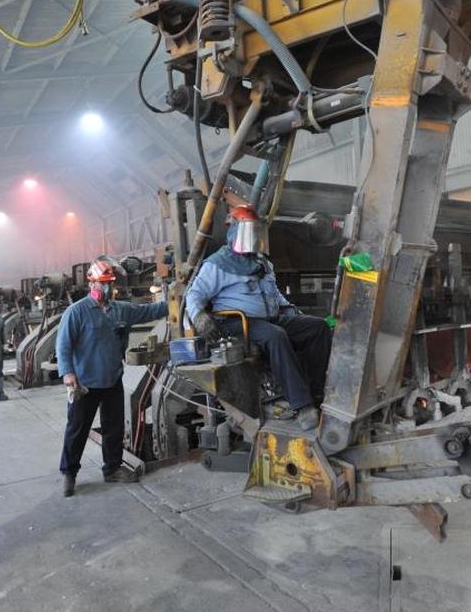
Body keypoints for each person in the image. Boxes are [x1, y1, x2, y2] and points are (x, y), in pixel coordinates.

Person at [186, 205, 332, 431]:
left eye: (256, 232)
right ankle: (303, 406)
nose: (253, 237)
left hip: (269, 319)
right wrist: (201, 318)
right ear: (234, 231)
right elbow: (194, 295)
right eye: (248, 231)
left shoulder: (262, 262)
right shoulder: (218, 264)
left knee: (318, 327)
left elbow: (275, 294)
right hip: (237, 324)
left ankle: (316, 392)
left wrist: (291, 309)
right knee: (276, 336)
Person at [56, 258, 168, 497]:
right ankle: (69, 473)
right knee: (77, 430)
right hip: (84, 384)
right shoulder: (76, 312)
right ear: (92, 284)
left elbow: (151, 311)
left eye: (110, 283)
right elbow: (63, 345)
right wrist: (67, 373)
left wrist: (177, 298)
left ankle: (112, 469)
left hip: (112, 379)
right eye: (102, 283)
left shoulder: (120, 310)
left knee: (113, 428)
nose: (107, 288)